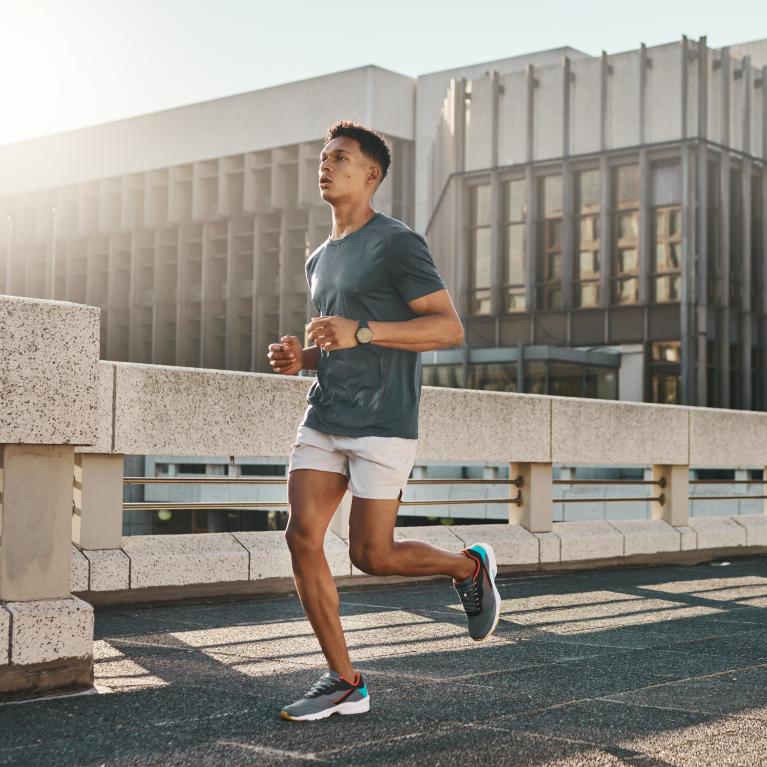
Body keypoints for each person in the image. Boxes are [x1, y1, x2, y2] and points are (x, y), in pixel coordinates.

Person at [266, 120, 500, 722]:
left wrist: (363, 330)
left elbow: (448, 328)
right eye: (323, 157)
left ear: (371, 173)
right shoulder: (319, 257)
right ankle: (346, 680)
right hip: (326, 412)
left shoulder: (398, 243)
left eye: (340, 158)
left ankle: (468, 566)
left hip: (384, 420)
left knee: (374, 555)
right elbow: (342, 341)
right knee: (301, 536)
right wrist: (306, 357)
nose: (327, 165)